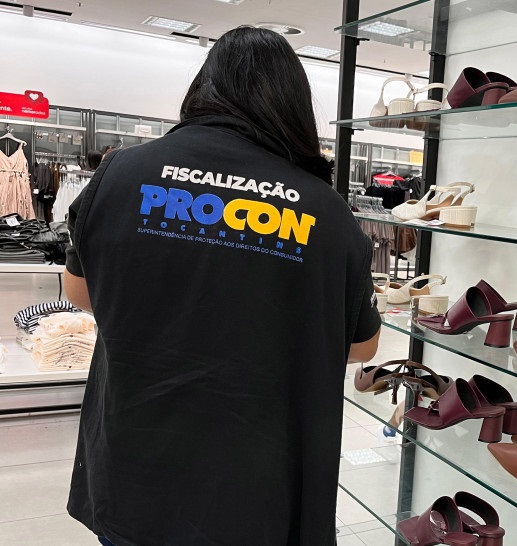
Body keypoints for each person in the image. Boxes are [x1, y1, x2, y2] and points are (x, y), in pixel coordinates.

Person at [63, 26, 381, 545]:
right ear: (294, 106)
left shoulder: (121, 173)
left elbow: (80, 294)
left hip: (134, 471)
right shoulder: (326, 212)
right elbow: (362, 346)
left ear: (201, 88)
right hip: (258, 490)